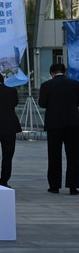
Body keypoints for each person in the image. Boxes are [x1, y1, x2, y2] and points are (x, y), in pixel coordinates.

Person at [38, 62, 79, 194]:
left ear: (52, 73)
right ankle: (73, 186)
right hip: (73, 123)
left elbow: (42, 103)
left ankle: (54, 186)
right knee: (73, 155)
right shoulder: (75, 84)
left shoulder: (46, 85)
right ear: (64, 71)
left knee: (54, 154)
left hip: (54, 124)